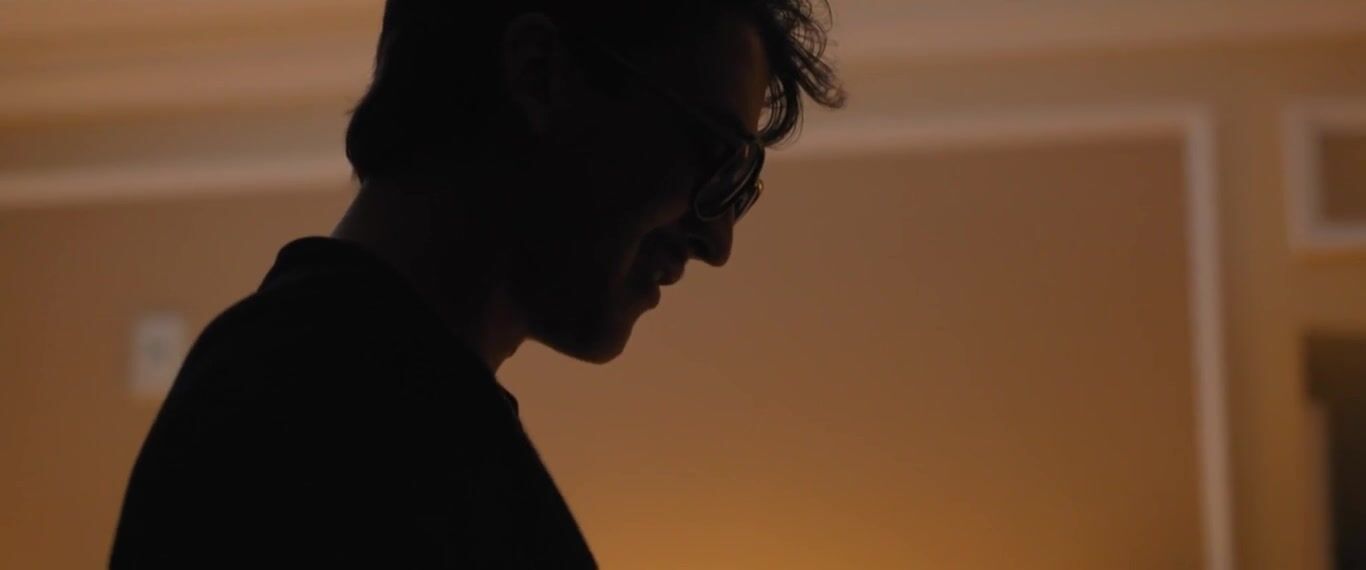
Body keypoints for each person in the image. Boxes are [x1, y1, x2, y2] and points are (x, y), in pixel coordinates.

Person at [109, 0, 843, 567]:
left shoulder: (350, 398)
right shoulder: (325, 411)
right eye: (713, 156)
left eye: (740, 186)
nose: (717, 242)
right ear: (539, 74)